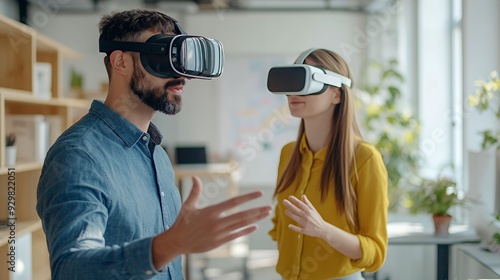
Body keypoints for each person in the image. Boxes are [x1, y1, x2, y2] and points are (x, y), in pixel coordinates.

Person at [36, 9, 271, 280]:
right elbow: (72, 269)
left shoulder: (156, 154)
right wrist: (170, 244)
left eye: (181, 61)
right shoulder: (78, 156)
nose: (181, 77)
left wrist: (175, 242)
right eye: (162, 57)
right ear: (120, 62)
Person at [267, 48, 388, 280]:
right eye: (293, 81)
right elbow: (280, 226)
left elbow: (376, 253)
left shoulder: (365, 159)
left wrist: (323, 231)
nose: (295, 92)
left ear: (337, 94)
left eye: (307, 81)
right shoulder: (288, 154)